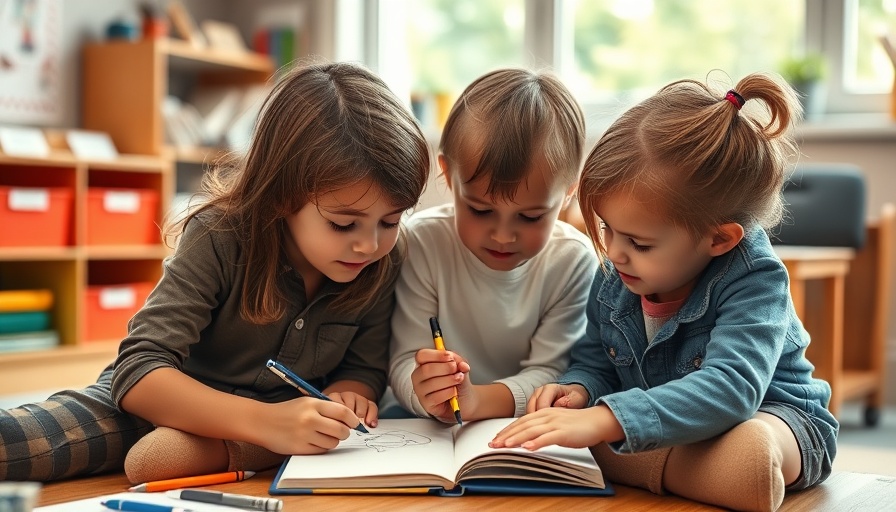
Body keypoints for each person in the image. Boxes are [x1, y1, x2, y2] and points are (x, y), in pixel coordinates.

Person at [0, 61, 430, 483]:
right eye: (343, 223)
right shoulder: (220, 235)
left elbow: (365, 365)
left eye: (390, 221)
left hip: (290, 423)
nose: (369, 244)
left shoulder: (384, 261)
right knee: (24, 443)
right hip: (173, 402)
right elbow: (139, 370)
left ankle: (234, 451)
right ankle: (244, 450)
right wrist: (264, 423)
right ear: (282, 195)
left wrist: (351, 391)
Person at [490, 72, 839, 511]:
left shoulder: (757, 281)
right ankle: (674, 466)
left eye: (639, 243)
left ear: (719, 239)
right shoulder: (618, 269)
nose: (615, 252)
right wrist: (577, 390)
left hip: (770, 418)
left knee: (751, 451)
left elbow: (732, 388)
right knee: (574, 430)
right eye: (605, 229)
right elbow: (596, 361)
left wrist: (606, 419)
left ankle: (648, 461)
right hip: (665, 426)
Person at [386, 68, 597, 423]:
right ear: (449, 177)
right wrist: (423, 391)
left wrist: (476, 401)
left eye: (529, 217)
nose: (502, 235)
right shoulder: (421, 241)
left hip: (520, 423)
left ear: (568, 195)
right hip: (418, 422)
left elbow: (553, 373)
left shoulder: (573, 261)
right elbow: (405, 358)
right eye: (481, 210)